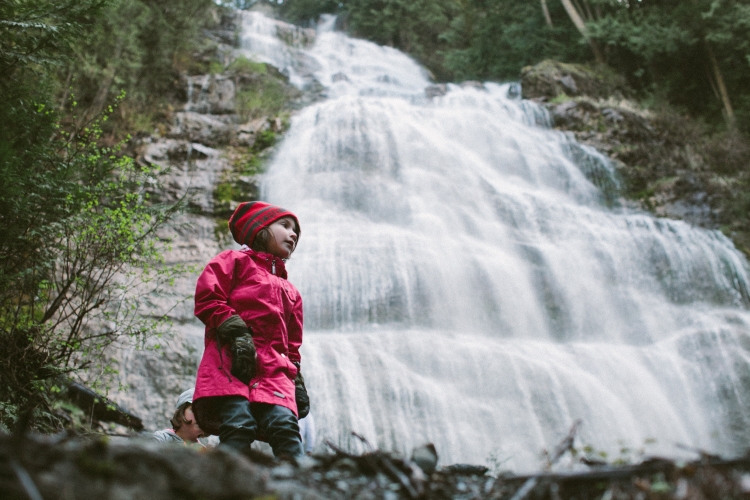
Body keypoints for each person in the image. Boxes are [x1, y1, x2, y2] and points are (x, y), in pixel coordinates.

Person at [191, 201, 310, 460]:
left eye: (296, 231)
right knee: (238, 424)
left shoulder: (291, 291)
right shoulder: (232, 261)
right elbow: (208, 298)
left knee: (286, 427)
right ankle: (232, 478)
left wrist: (296, 378)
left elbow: (292, 343)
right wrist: (236, 332)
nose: (293, 234)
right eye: (285, 225)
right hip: (231, 364)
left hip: (275, 374)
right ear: (259, 228)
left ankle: (297, 479)